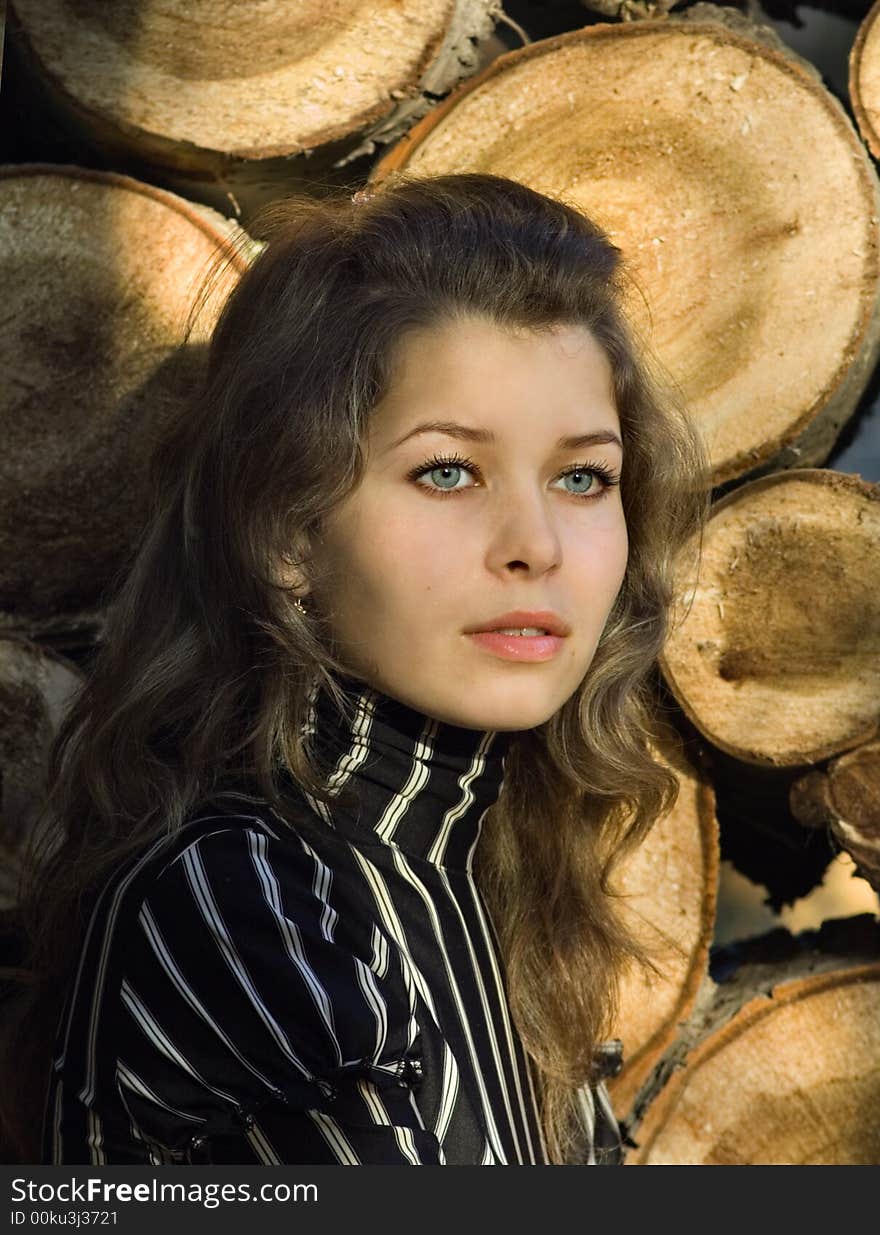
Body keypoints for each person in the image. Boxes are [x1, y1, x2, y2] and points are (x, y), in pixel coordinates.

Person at [1, 172, 710, 1166]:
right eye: (447, 471)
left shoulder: (488, 875)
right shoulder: (241, 903)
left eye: (582, 475)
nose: (535, 545)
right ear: (287, 531)